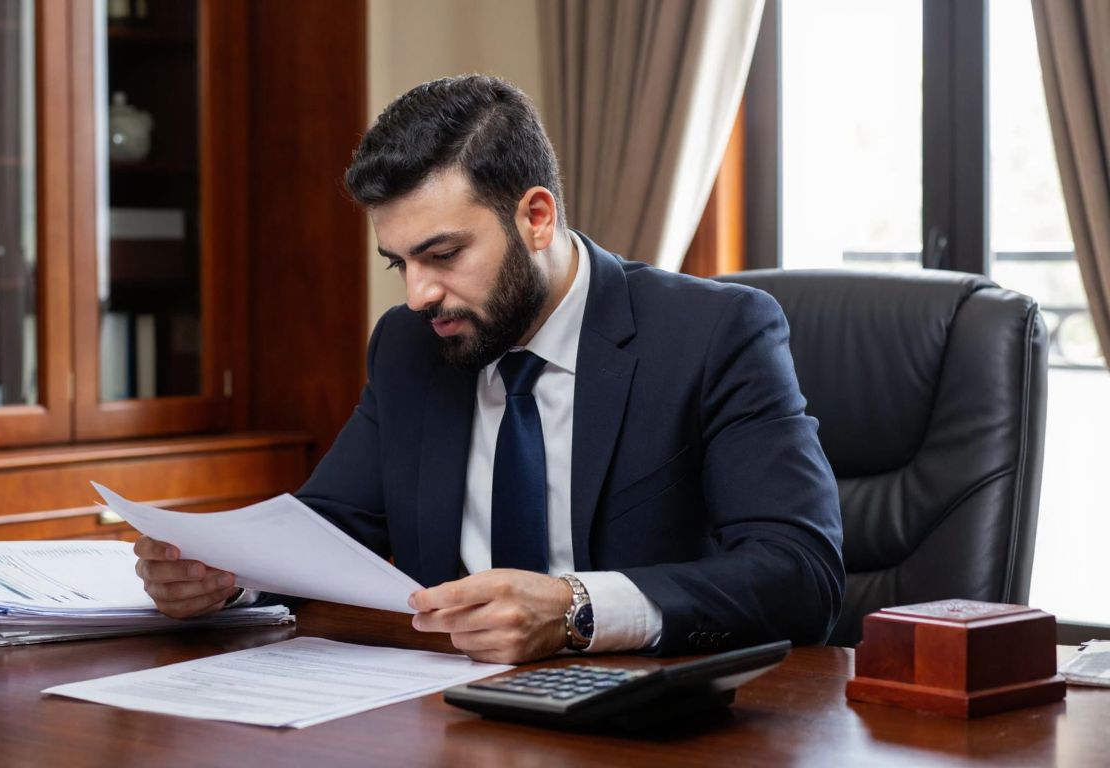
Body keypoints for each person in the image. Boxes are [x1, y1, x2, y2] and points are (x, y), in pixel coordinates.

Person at [134, 75, 844, 664]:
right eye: (400, 263)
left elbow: (800, 574)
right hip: (448, 714)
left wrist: (576, 609)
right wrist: (224, 576)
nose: (417, 295)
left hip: (650, 724)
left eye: (442, 256)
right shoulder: (411, 346)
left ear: (536, 216)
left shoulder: (713, 334)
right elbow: (329, 529)